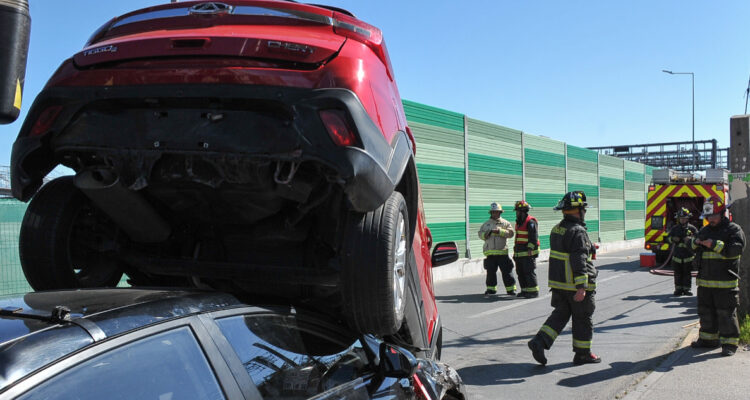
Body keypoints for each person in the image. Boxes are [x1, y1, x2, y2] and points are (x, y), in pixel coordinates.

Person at [528, 191, 600, 365]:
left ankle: (540, 341)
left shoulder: (557, 229)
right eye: (583, 209)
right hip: (575, 286)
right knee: (583, 319)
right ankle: (583, 354)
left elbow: (567, 254)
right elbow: (578, 259)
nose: (585, 212)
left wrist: (589, 247)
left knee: (560, 315)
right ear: (577, 211)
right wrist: (582, 287)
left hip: (559, 284)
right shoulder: (578, 231)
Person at [690, 196, 745, 356]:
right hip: (705, 282)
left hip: (725, 283)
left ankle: (729, 344)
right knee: (705, 312)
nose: (711, 219)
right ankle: (708, 339)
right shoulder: (705, 230)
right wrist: (694, 242)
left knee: (726, 313)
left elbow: (736, 250)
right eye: (708, 216)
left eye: (714, 215)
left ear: (722, 213)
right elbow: (692, 246)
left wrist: (713, 245)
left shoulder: (733, 230)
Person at [478, 202, 516, 295]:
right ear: (491, 213)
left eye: (497, 212)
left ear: (500, 213)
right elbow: (480, 234)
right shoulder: (486, 224)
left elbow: (511, 234)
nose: (495, 213)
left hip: (502, 253)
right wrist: (485, 234)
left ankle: (511, 289)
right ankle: (491, 289)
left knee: (507, 272)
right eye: (493, 212)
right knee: (490, 273)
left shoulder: (505, 223)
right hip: (490, 254)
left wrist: (500, 231)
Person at [666, 207, 698, 296]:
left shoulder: (692, 228)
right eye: (681, 218)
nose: (683, 220)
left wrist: (691, 239)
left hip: (688, 256)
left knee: (687, 274)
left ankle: (687, 289)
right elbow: (667, 239)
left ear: (688, 218)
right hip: (677, 256)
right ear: (678, 219)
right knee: (678, 274)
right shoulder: (674, 228)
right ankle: (678, 289)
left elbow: (698, 239)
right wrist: (672, 238)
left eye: (684, 218)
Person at [513, 200, 540, 298]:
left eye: (517, 211)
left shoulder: (530, 222)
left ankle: (533, 291)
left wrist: (530, 249)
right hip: (519, 252)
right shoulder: (519, 222)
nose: (516, 213)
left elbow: (533, 237)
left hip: (528, 252)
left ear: (523, 211)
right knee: (520, 273)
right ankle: (524, 290)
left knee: (529, 272)